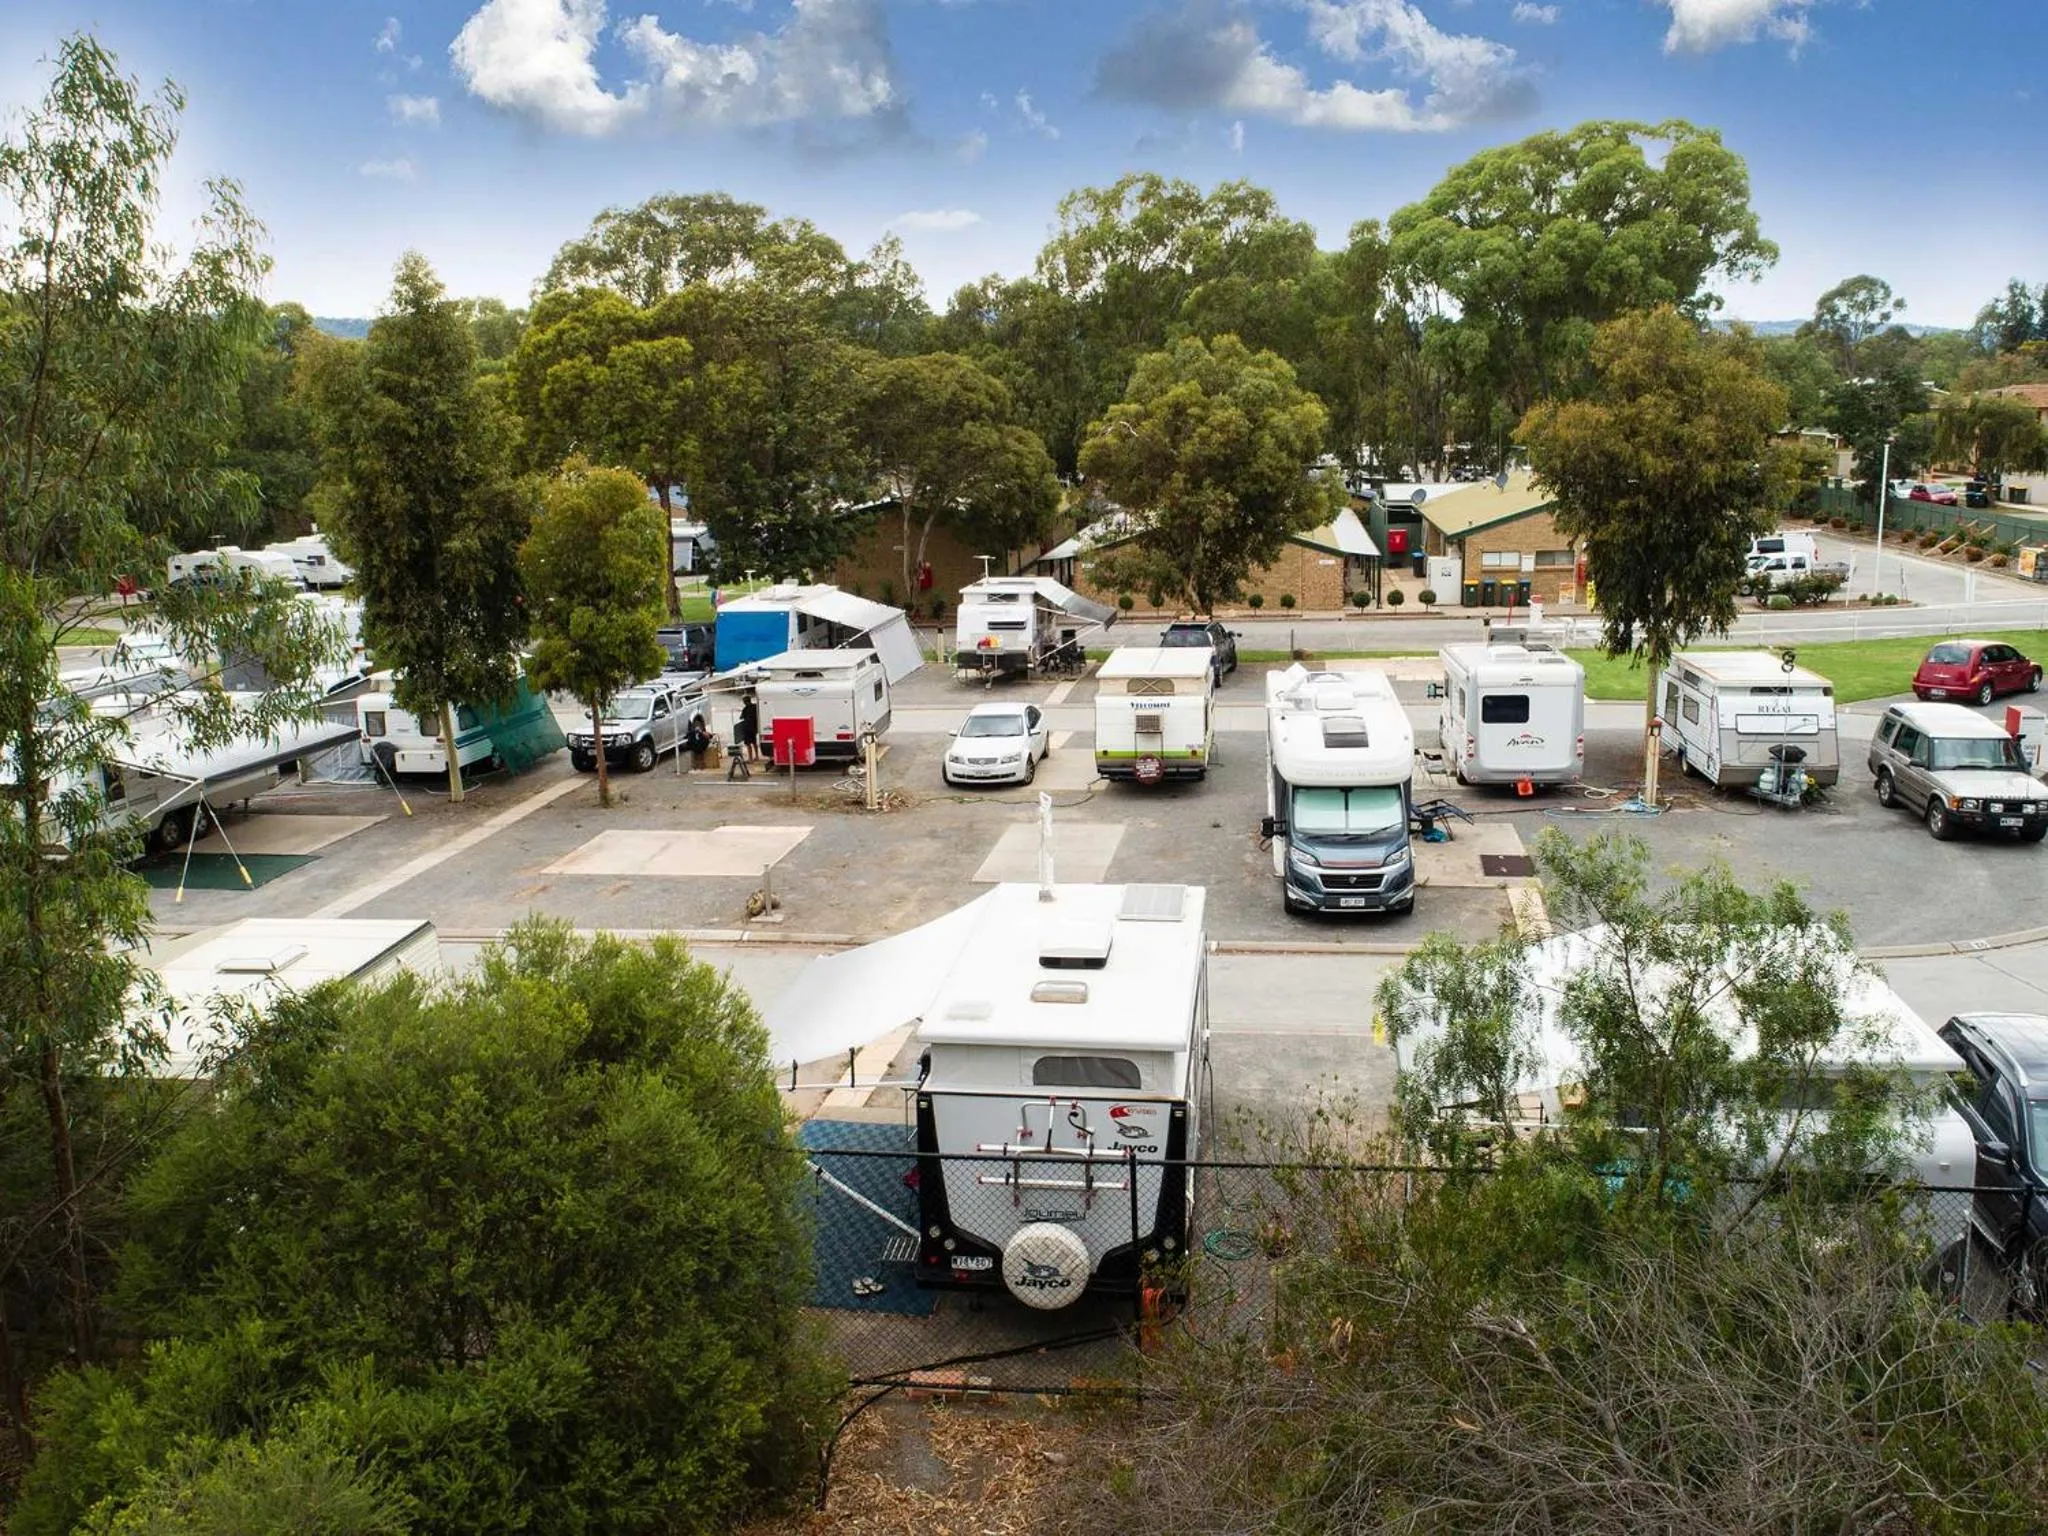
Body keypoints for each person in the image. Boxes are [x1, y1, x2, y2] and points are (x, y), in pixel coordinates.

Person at [736, 693, 760, 762]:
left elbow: (741, 717)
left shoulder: (745, 709)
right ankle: (757, 757)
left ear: (744, 701)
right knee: (754, 743)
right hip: (754, 728)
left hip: (747, 728)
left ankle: (750, 758)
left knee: (748, 744)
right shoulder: (755, 707)